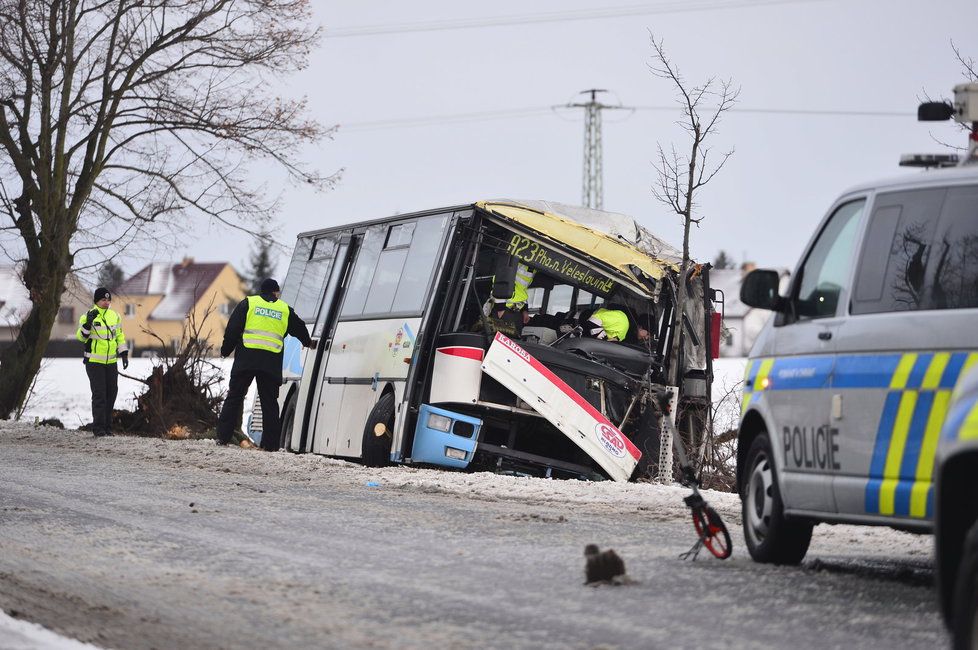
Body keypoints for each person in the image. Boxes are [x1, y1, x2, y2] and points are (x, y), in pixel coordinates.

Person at [216, 278, 313, 451]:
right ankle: (271, 445)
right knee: (269, 403)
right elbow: (299, 327)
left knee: (234, 398)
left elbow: (233, 329)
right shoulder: (284, 309)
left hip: (246, 359)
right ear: (275, 292)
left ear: (262, 291)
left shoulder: (248, 304)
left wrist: (225, 350)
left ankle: (223, 437)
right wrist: (307, 342)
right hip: (271, 362)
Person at [76, 287, 129, 437]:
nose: (106, 302)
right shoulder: (87, 316)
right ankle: (98, 428)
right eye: (103, 300)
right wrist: (88, 324)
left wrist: (124, 353)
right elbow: (81, 337)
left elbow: (119, 335)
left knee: (112, 393)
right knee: (100, 395)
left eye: (108, 300)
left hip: (111, 362)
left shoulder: (115, 316)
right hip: (94, 362)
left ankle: (107, 427)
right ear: (96, 301)